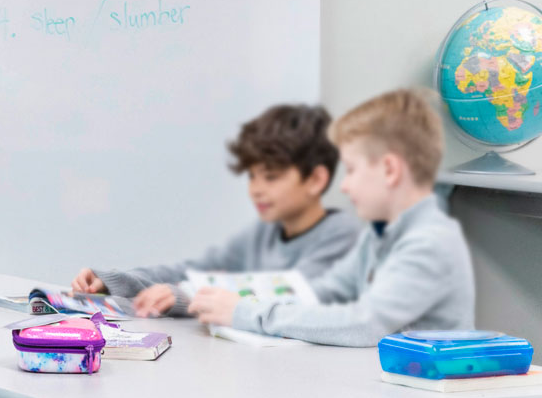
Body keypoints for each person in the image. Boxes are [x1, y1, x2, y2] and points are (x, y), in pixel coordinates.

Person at [189, 89, 475, 346]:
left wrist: (250, 314)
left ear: (390, 170)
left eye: (351, 170)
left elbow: (367, 323)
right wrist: (239, 305)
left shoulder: (431, 242)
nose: (343, 185)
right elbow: (321, 292)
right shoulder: (378, 236)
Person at [72, 105, 360, 318]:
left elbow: (289, 294)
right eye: (252, 176)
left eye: (270, 177)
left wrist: (186, 294)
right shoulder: (264, 233)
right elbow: (194, 270)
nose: (256, 189)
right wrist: (115, 280)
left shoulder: (343, 235)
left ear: (316, 179)